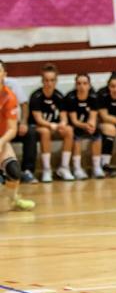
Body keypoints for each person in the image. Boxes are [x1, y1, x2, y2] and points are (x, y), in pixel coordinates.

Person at [29, 63, 74, 183]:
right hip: (38, 127)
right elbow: (38, 119)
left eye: (52, 80)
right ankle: (46, 169)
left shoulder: (59, 96)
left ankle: (64, 167)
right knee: (45, 132)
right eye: (46, 80)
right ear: (42, 81)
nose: (49, 83)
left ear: (56, 81)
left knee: (69, 130)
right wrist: (51, 125)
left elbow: (64, 116)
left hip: (54, 126)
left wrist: (62, 124)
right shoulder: (36, 96)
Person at [0, 60, 35, 211]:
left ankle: (13, 199)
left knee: (14, 171)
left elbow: (12, 129)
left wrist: (1, 142)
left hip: (1, 140)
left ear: (4, 74)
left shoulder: (9, 97)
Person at [65, 74, 103, 180]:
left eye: (85, 83)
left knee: (97, 135)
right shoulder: (71, 97)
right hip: (76, 125)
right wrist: (85, 125)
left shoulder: (93, 97)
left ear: (89, 85)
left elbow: (93, 116)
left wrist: (91, 125)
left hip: (87, 124)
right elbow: (74, 121)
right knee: (76, 138)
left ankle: (96, 167)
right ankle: (77, 168)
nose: (82, 86)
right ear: (76, 85)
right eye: (79, 83)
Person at [4, 73, 38, 184]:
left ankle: (27, 171)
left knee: (30, 132)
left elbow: (24, 105)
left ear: (4, 73)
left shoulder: (10, 93)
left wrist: (23, 123)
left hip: (9, 127)